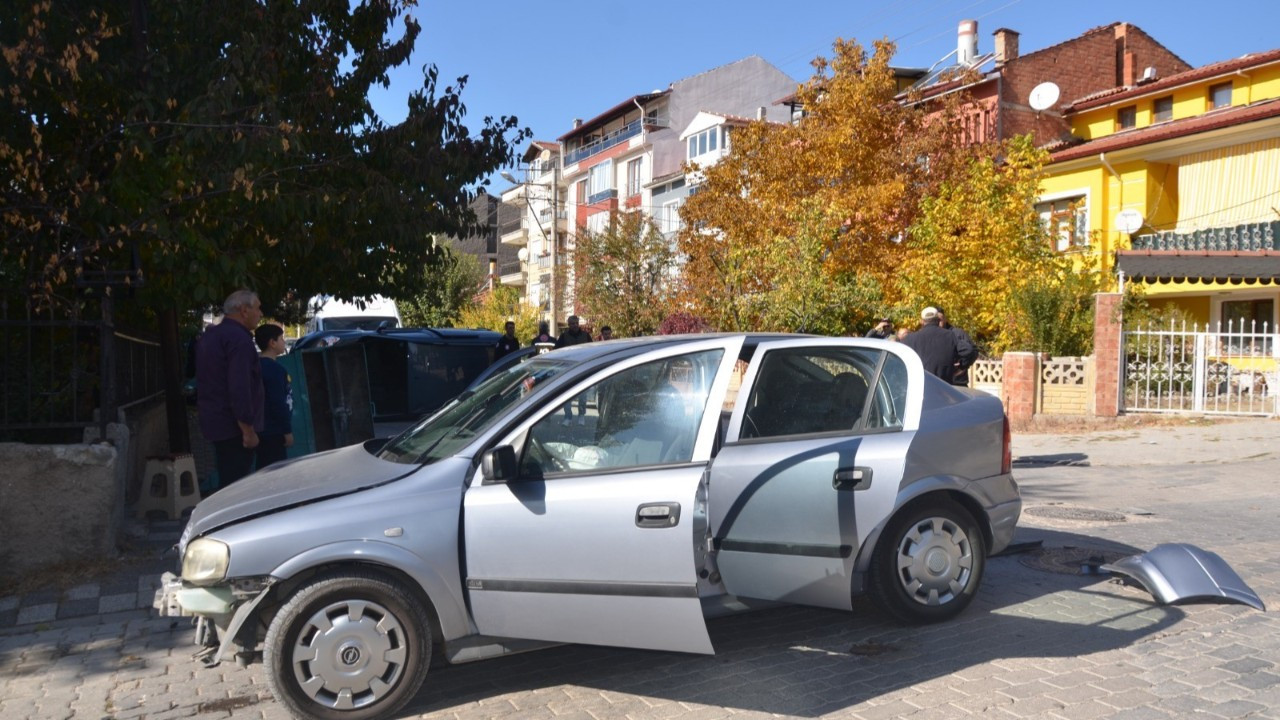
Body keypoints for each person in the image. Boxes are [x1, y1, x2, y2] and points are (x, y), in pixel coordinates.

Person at [196, 290, 264, 487]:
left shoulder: (212, 336)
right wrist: (248, 430)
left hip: (216, 423)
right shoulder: (238, 339)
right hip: (234, 429)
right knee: (236, 487)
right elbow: (239, 386)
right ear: (244, 310)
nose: (260, 314)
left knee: (228, 481)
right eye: (258, 308)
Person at [253, 323, 294, 470]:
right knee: (275, 470)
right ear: (272, 343)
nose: (284, 342)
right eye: (281, 338)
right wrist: (287, 431)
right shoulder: (275, 370)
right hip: (274, 431)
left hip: (261, 429)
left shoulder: (256, 366)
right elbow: (278, 402)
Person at [900, 306, 959, 381]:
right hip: (943, 386)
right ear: (938, 320)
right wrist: (960, 368)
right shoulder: (950, 335)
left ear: (922, 321)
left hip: (919, 385)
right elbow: (968, 351)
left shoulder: (909, 339)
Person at [555, 315, 593, 424]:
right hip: (568, 370)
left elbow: (593, 351)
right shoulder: (563, 337)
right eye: (572, 323)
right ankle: (568, 417)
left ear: (578, 323)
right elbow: (557, 352)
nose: (574, 325)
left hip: (583, 369)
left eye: (576, 323)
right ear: (569, 325)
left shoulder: (586, 336)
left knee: (582, 394)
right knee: (567, 394)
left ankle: (581, 415)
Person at [935, 307, 978, 387]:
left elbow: (974, 351)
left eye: (940, 319)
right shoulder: (931, 335)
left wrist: (962, 365)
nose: (939, 323)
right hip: (938, 382)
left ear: (945, 319)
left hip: (957, 382)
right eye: (936, 320)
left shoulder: (957, 333)